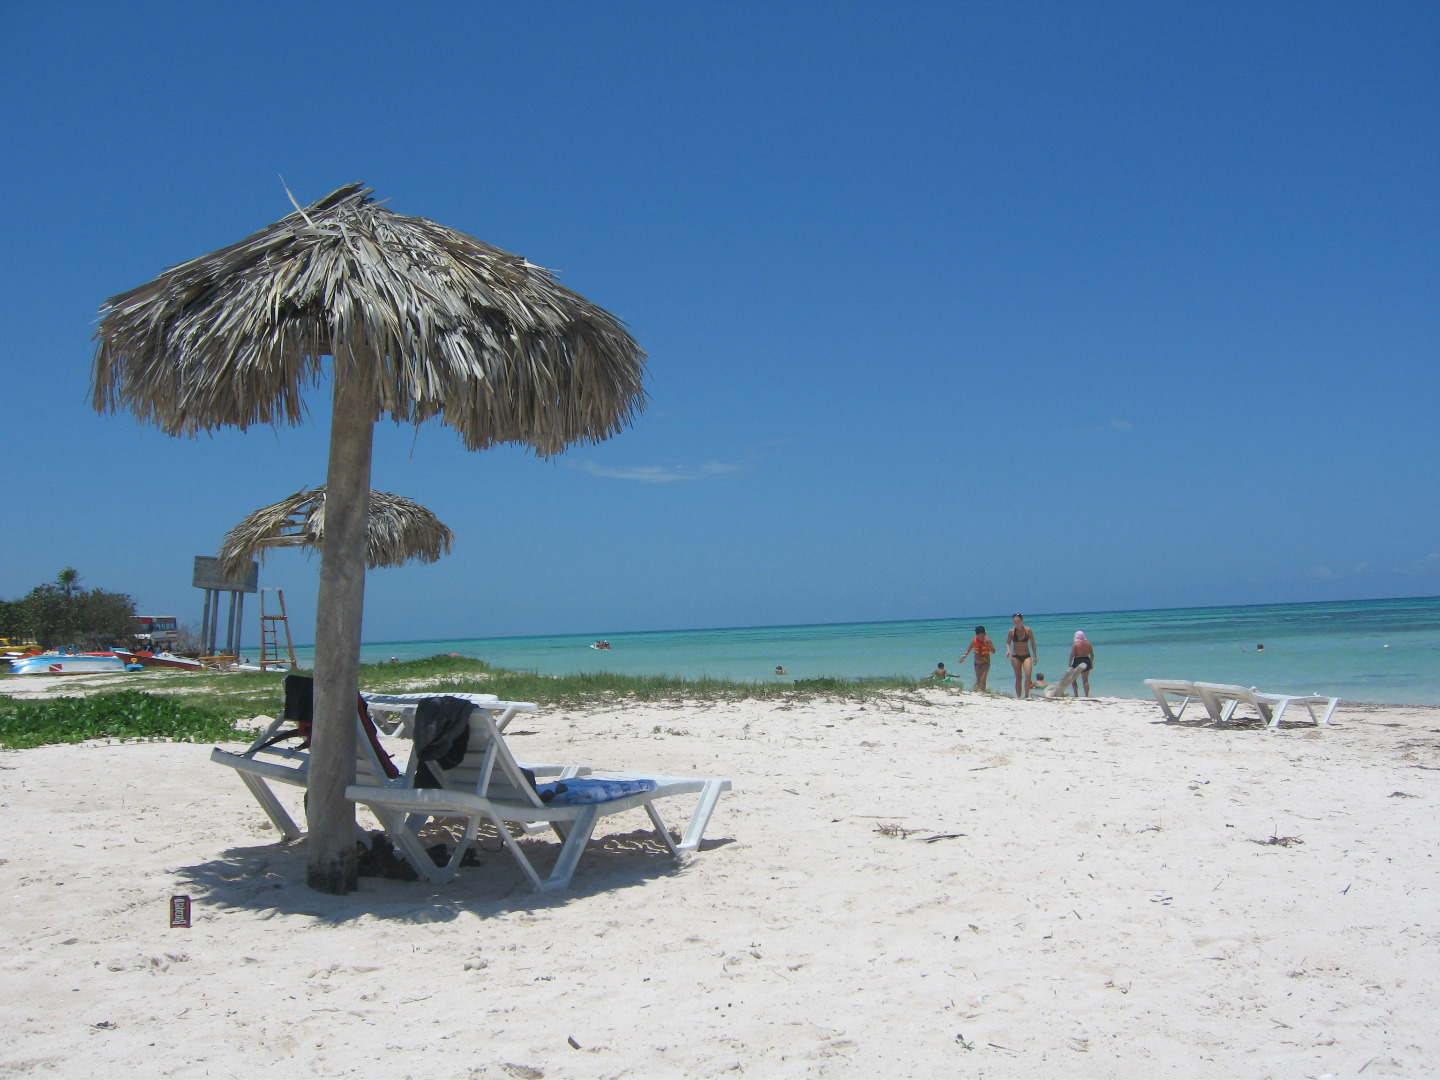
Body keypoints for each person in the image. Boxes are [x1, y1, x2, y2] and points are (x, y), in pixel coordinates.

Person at [1006, 613, 1037, 698]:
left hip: (1026, 656)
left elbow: (1033, 643)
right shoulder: (1012, 631)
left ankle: (1026, 694)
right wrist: (1008, 650)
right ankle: (1019, 696)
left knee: (1028, 675)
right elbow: (1008, 643)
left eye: (1018, 621)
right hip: (1016, 656)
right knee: (1018, 677)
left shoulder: (1028, 630)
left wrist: (1035, 656)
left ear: (1022, 621)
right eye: (1015, 622)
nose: (1017, 623)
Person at [959, 625, 996, 692]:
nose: (980, 638)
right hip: (976, 664)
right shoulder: (974, 641)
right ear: (976, 635)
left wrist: (988, 645)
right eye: (979, 636)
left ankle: (983, 694)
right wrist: (963, 657)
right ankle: (974, 690)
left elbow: (993, 651)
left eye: (982, 636)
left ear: (985, 634)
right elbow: (968, 650)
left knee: (982, 680)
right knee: (978, 681)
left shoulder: (988, 640)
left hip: (985, 663)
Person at [1067, 631, 1094, 697]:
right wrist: (1091, 663)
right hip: (1086, 660)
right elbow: (1092, 655)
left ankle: (1076, 694)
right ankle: (1086, 695)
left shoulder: (1076, 644)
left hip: (1078, 660)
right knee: (1085, 680)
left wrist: (1070, 664)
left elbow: (1072, 655)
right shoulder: (1088, 643)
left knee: (1073, 679)